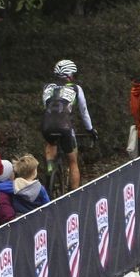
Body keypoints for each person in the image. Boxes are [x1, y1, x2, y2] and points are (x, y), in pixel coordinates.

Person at [41, 59, 97, 191]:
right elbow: (84, 112)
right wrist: (90, 129)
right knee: (72, 161)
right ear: (70, 75)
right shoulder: (76, 88)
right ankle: (75, 194)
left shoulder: (47, 87)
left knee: (51, 145)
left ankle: (49, 168)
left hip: (47, 125)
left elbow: (46, 107)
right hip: (65, 126)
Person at [0, 154, 50, 223]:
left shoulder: (13, 186)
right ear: (34, 172)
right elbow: (48, 206)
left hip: (20, 220)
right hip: (37, 219)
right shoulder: (41, 189)